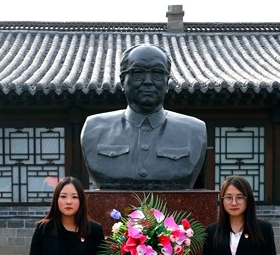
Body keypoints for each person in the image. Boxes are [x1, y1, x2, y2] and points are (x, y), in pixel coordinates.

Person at [80, 43, 207, 190]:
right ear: (123, 81)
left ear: (167, 82)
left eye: (157, 73)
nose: (148, 81)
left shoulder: (194, 131)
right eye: (138, 73)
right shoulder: (94, 129)